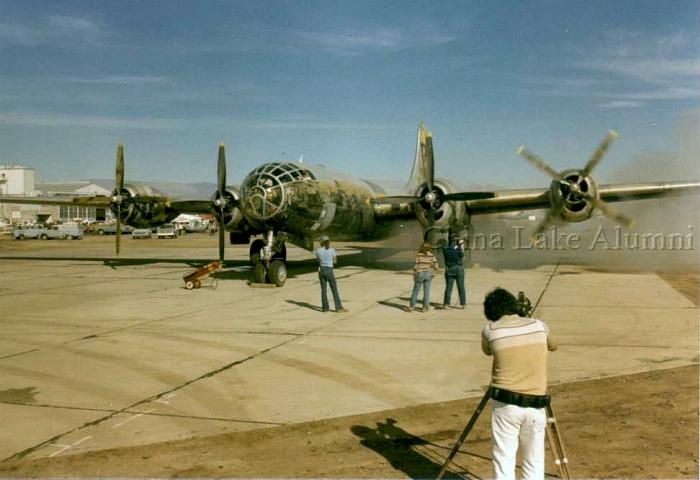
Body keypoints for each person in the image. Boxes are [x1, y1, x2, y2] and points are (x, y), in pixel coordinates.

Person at [481, 287, 558, 480]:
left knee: (504, 458)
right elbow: (554, 345)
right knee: (534, 460)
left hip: (506, 405)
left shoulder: (490, 330)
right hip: (536, 404)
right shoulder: (540, 325)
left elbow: (487, 351)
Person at [315, 235, 348, 313]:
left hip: (321, 270)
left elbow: (318, 261)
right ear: (328, 242)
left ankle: (325, 308)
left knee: (323, 290)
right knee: (334, 289)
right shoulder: (332, 250)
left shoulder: (318, 251)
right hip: (329, 270)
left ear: (321, 243)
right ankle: (338, 307)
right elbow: (335, 261)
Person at [407, 242, 439, 312]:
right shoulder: (432, 255)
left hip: (420, 273)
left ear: (421, 248)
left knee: (415, 291)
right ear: (429, 248)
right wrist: (433, 273)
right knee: (426, 292)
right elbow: (436, 265)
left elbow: (415, 266)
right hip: (428, 274)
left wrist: (414, 274)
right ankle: (425, 308)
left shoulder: (419, 255)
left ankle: (411, 307)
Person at [439, 234, 466, 309]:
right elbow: (463, 257)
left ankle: (446, 304)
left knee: (448, 288)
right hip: (458, 268)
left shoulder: (445, 249)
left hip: (449, 269)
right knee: (461, 287)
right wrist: (461, 245)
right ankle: (463, 304)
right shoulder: (458, 249)